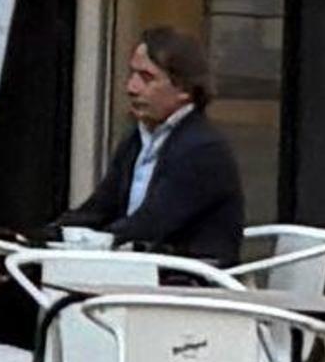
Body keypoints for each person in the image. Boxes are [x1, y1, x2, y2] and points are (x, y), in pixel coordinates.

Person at [55, 25, 245, 265]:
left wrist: (82, 244)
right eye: (132, 75)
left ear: (184, 88)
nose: (131, 88)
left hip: (187, 284)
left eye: (146, 78)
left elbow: (150, 225)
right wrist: (36, 240)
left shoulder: (204, 150)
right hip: (139, 270)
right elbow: (96, 210)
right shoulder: (136, 139)